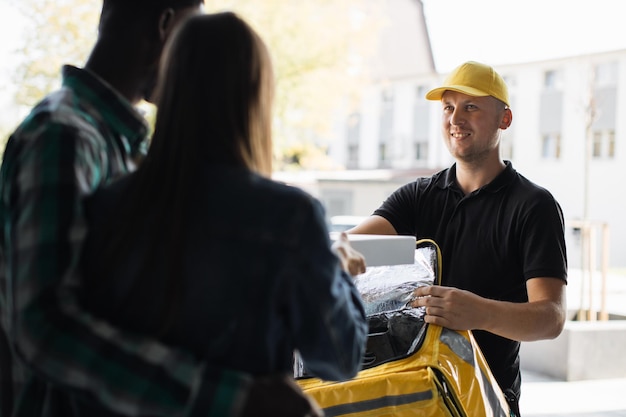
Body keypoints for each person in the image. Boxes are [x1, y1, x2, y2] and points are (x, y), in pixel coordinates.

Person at [0, 1, 363, 415]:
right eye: (192, 34)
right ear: (165, 25)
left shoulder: (125, 159)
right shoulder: (64, 138)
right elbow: (44, 327)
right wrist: (233, 398)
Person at [348, 61, 568, 416]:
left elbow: (551, 318)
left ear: (504, 119)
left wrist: (478, 312)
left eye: (471, 107)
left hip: (484, 400)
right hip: (414, 397)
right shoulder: (417, 196)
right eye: (448, 108)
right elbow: (350, 250)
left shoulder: (533, 205)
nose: (455, 119)